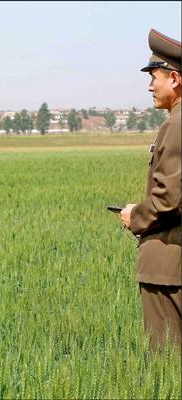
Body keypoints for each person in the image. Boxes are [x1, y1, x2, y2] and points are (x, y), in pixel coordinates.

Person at [121, 28, 181, 350]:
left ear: (174, 79)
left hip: (168, 269)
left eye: (154, 76)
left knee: (168, 365)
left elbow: (167, 201)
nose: (149, 85)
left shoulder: (176, 124)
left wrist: (135, 216)